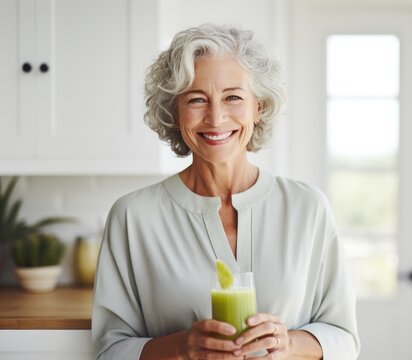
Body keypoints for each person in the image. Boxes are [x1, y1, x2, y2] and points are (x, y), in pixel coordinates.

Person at [92, 24, 360, 360]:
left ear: (258, 106)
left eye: (233, 96)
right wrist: (181, 348)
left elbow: (343, 338)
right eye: (196, 99)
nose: (216, 118)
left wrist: (288, 344)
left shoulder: (308, 208)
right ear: (174, 112)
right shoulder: (133, 216)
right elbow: (111, 350)